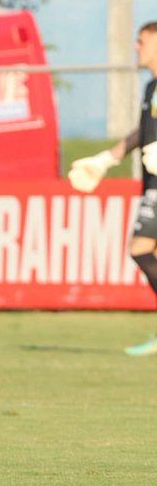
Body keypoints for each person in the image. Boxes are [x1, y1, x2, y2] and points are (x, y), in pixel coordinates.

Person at [69, 20, 157, 355]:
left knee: (140, 250)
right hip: (151, 180)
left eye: (142, 41)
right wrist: (107, 158)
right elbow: (143, 131)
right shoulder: (152, 88)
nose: (137, 47)